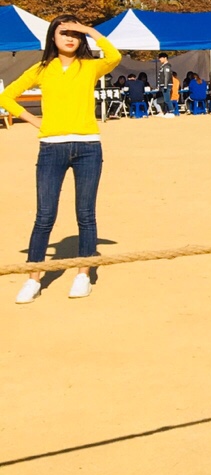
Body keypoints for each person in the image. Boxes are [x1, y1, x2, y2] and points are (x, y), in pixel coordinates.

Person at [1, 18, 121, 303]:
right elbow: (7, 96)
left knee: (86, 214)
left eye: (74, 34)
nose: (70, 38)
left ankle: (83, 275)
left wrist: (90, 31)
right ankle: (34, 278)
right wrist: (33, 120)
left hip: (88, 147)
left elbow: (115, 55)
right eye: (63, 32)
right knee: (44, 216)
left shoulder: (90, 66)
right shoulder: (42, 69)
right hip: (51, 148)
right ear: (52, 37)